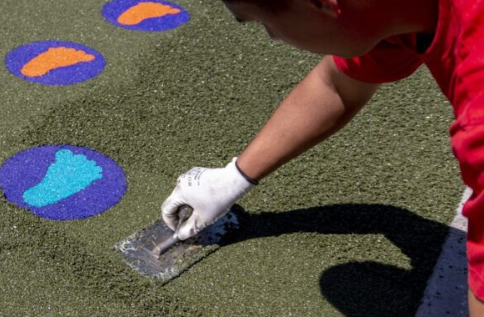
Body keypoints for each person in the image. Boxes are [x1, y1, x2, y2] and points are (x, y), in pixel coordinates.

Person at [158, 0, 484, 315]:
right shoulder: (388, 14)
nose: (272, 37)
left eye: (266, 23)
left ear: (324, 3)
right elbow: (337, 86)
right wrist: (232, 180)